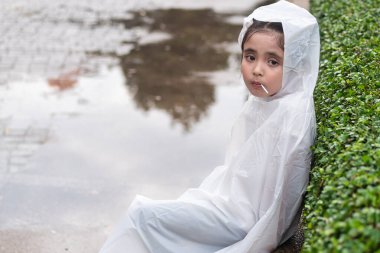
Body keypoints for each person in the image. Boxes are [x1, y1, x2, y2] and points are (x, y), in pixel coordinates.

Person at [99, 1, 320, 252]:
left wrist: (255, 242)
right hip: (229, 203)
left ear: (294, 64)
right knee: (148, 217)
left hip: (239, 220)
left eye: (273, 61)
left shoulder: (291, 114)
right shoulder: (265, 101)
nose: (256, 70)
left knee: (141, 217)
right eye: (250, 57)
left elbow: (280, 201)